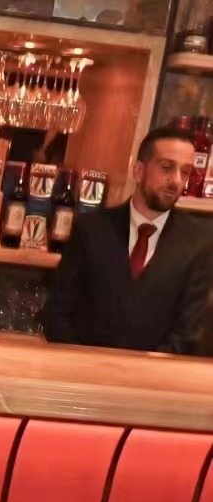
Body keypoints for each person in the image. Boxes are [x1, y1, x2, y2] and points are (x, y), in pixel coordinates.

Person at [43, 125, 213, 354]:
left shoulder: (198, 242)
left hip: (152, 375)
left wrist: (141, 370)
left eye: (185, 172)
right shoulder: (91, 228)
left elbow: (188, 334)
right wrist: (84, 363)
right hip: (81, 368)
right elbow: (58, 313)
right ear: (138, 171)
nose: (176, 181)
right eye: (166, 167)